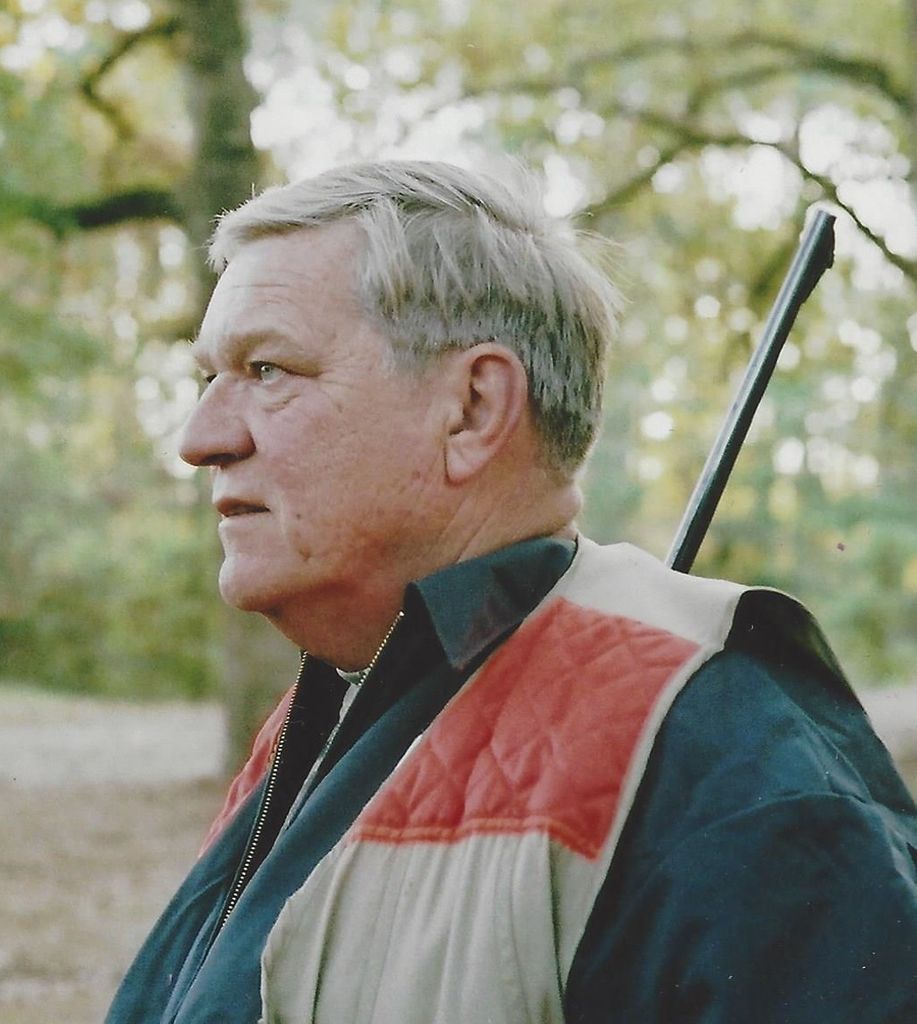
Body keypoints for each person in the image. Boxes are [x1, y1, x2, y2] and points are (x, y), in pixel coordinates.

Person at [106, 160, 917, 1024]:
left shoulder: (724, 760)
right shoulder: (332, 707)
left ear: (471, 409)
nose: (200, 437)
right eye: (210, 377)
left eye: (268, 369)